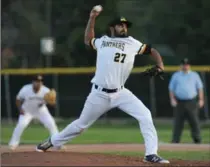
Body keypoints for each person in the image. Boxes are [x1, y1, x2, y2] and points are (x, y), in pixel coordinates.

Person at [36, 5, 169, 164]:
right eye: (120, 25)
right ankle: (53, 141)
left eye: (125, 25)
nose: (123, 27)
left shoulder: (132, 43)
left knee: (145, 115)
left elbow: (152, 50)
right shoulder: (103, 41)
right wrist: (92, 18)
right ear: (112, 27)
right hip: (99, 93)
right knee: (80, 126)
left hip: (120, 93)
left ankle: (151, 154)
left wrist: (160, 65)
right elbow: (88, 40)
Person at [9, 75, 59, 150]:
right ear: (33, 82)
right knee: (21, 125)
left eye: (40, 81)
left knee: (51, 124)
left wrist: (52, 102)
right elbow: (18, 99)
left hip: (41, 110)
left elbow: (53, 104)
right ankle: (13, 144)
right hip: (27, 110)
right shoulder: (26, 89)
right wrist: (20, 109)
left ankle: (58, 144)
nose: (38, 83)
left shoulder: (46, 90)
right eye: (36, 81)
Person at [169, 58, 204, 144]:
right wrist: (172, 99)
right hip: (179, 101)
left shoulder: (194, 75)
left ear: (189, 65)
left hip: (191, 101)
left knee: (194, 121)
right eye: (184, 64)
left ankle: (197, 139)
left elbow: (200, 88)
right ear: (181, 65)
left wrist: (201, 99)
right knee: (178, 122)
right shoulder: (176, 75)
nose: (185, 66)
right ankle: (175, 140)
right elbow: (171, 89)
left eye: (187, 64)